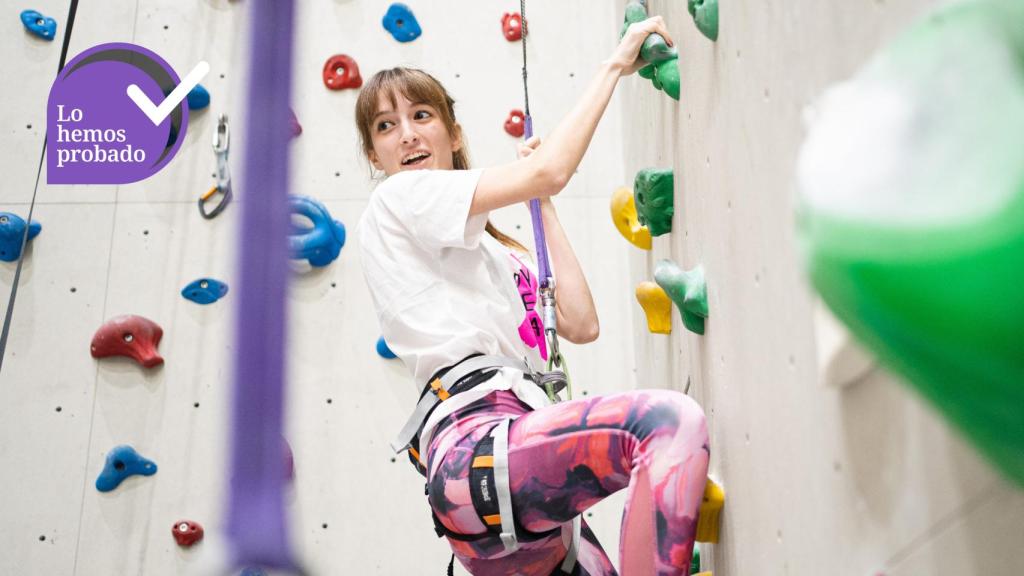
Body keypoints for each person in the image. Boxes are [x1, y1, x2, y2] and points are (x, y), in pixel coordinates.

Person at [356, 16, 709, 576]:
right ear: (375, 156)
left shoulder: (495, 252)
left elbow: (580, 321)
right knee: (665, 424)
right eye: (385, 126)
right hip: (478, 446)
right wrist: (614, 66)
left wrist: (538, 203)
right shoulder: (396, 200)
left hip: (499, 480)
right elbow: (553, 169)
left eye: (421, 115)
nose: (407, 135)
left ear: (453, 133)